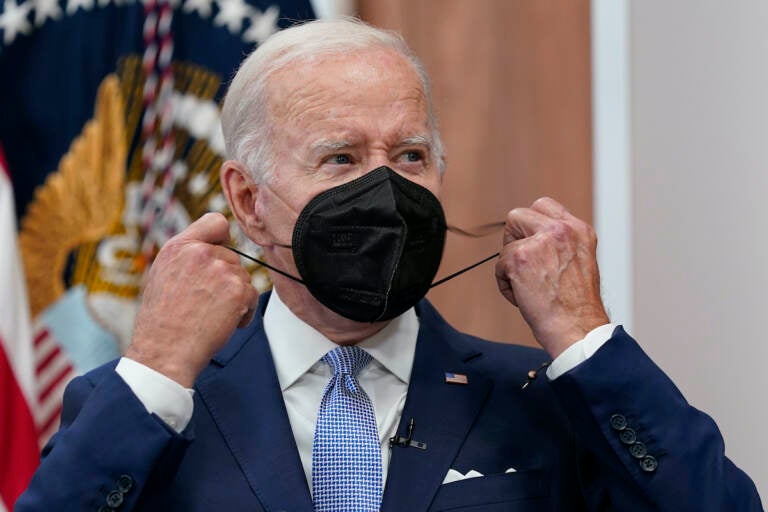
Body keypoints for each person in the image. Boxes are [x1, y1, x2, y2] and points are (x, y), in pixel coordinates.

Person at [16, 18, 762, 512]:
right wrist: (154, 366)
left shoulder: (541, 398)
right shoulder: (150, 403)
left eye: (410, 156)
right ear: (248, 200)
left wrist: (585, 338)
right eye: (340, 158)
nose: (386, 190)